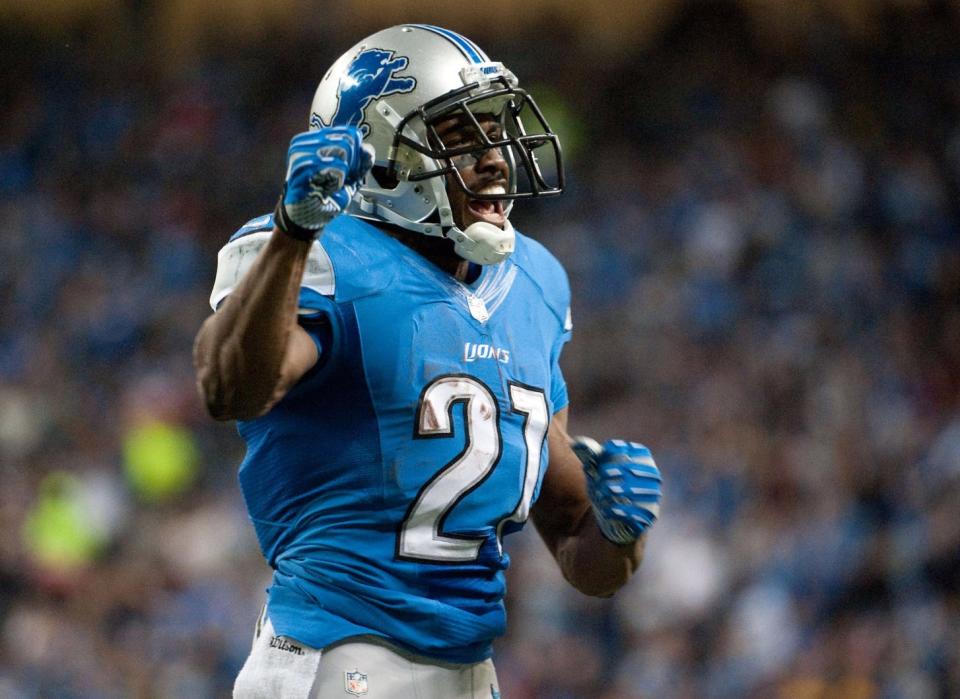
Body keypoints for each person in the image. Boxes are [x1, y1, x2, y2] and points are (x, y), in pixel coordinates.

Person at [193, 24, 663, 699]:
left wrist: (619, 531)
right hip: (339, 653)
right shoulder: (322, 252)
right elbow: (230, 386)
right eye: (460, 136)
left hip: (469, 666)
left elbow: (572, 537)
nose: (497, 156)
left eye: (496, 129)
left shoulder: (535, 279)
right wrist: (294, 233)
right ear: (381, 158)